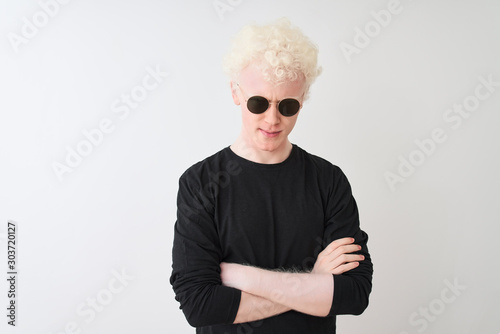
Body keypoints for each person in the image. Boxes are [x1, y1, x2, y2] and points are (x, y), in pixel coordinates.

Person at [170, 18, 373, 333]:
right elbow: (201, 305)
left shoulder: (328, 180)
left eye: (287, 105)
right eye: (258, 102)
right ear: (236, 93)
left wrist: (246, 278)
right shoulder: (200, 182)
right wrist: (315, 283)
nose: (272, 119)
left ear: (302, 100)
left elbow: (355, 295)